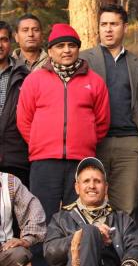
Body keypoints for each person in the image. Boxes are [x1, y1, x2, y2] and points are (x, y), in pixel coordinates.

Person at [17, 23, 110, 222]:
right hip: (44, 161)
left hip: (80, 161)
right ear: (50, 50)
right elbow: (24, 120)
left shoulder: (94, 81)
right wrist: (38, 142)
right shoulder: (35, 80)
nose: (66, 50)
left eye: (71, 45)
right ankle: (40, 254)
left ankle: (76, 254)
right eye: (60, 46)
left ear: (78, 48)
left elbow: (101, 122)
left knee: (77, 218)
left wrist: (87, 141)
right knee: (41, 216)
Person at [80, 4, 138, 217]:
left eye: (114, 24)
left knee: (126, 206)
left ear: (125, 27)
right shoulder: (84, 59)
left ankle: (121, 249)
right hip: (94, 141)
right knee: (90, 203)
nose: (108, 29)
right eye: (104, 24)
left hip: (128, 142)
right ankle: (93, 249)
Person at [44, 157, 138, 266]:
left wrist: (129, 263)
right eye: (86, 181)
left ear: (106, 188)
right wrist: (82, 238)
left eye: (97, 181)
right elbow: (50, 253)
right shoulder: (61, 219)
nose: (92, 186)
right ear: (77, 187)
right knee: (89, 231)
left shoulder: (122, 219)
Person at [0, 21, 30, 186]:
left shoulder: (25, 76)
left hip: (16, 161)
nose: (0, 45)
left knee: (17, 211)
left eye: (4, 40)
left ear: (10, 42)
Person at [0, 172, 46, 266]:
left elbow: (33, 210)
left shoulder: (9, 181)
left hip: (4, 250)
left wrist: (26, 240)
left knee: (21, 255)